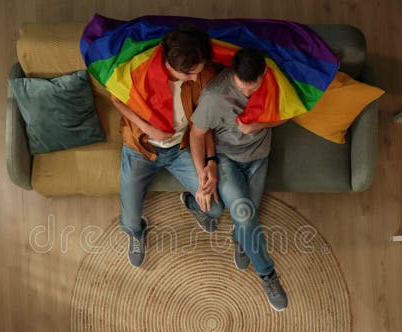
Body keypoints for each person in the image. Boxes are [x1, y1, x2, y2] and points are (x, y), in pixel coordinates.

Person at [112, 25, 223, 267]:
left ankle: (190, 201)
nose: (196, 79)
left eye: (199, 72)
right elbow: (116, 97)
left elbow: (204, 125)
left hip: (181, 148)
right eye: (190, 75)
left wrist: (211, 162)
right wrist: (149, 128)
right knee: (129, 222)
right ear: (171, 67)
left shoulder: (204, 73)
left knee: (214, 208)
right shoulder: (140, 72)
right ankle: (138, 232)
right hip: (141, 149)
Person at [188, 48, 289, 311]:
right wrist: (202, 175)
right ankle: (268, 274)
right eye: (242, 89)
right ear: (233, 74)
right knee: (244, 214)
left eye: (252, 90)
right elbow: (197, 134)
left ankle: (242, 239)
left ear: (263, 74)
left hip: (260, 158)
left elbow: (290, 113)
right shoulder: (214, 96)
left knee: (246, 218)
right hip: (227, 159)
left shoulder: (275, 81)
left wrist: (258, 125)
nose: (246, 95)